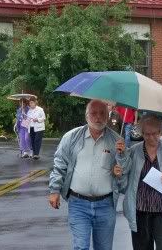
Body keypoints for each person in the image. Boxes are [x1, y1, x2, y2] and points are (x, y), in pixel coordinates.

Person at [48, 99, 122, 250]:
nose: (98, 117)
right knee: (81, 247)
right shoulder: (71, 137)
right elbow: (59, 164)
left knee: (104, 248)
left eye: (102, 113)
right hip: (78, 204)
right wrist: (54, 190)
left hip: (106, 205)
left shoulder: (117, 141)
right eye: (93, 113)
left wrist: (121, 165)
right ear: (86, 116)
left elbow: (125, 174)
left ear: (108, 116)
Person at [115, 114, 162, 249]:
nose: (151, 137)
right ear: (142, 133)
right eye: (147, 134)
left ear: (161, 132)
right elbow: (123, 183)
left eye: (155, 134)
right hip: (139, 211)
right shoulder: (134, 151)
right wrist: (121, 159)